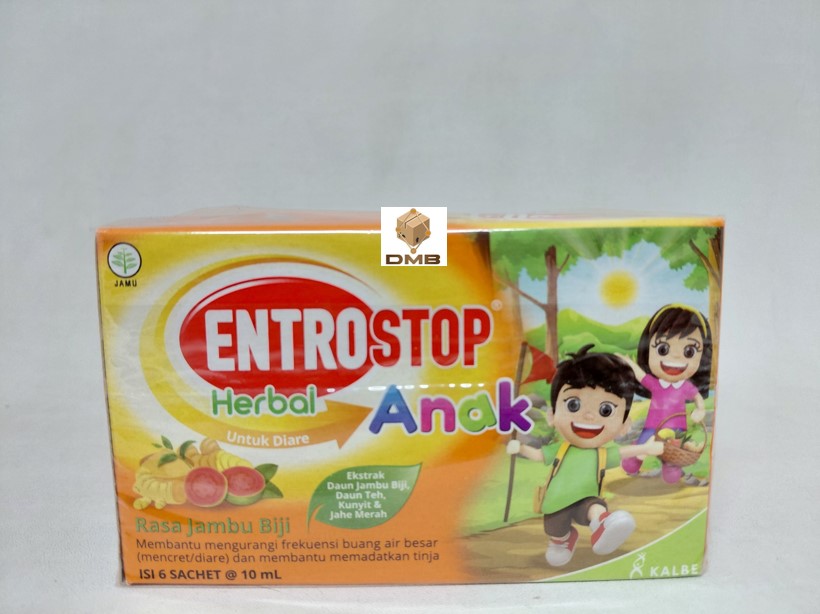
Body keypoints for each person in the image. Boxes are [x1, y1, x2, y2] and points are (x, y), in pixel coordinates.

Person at [508, 345, 663, 566]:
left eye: (605, 410)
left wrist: (645, 449)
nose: (589, 416)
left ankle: (603, 524)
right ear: (552, 415)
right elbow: (538, 455)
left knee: (594, 507)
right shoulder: (561, 450)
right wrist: (521, 449)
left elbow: (621, 453)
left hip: (585, 498)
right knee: (554, 527)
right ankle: (562, 540)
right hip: (556, 500)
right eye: (573, 404)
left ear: (624, 426)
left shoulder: (599, 454)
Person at [618, 304, 712, 484]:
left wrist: (700, 409)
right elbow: (641, 376)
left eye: (689, 351)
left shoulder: (685, 386)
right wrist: (629, 363)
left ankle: (671, 467)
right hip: (651, 428)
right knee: (640, 450)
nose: (675, 358)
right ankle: (634, 462)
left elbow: (698, 398)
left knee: (671, 458)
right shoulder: (656, 384)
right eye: (663, 349)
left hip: (676, 431)